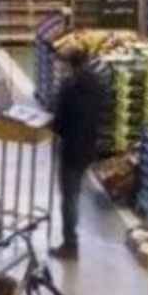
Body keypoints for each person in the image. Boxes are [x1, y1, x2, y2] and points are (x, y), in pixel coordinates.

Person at [48, 44, 105, 259]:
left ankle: (70, 244)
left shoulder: (68, 87)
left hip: (71, 148)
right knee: (75, 194)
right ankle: (70, 242)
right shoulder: (98, 83)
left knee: (69, 198)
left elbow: (59, 125)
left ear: (70, 65)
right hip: (89, 146)